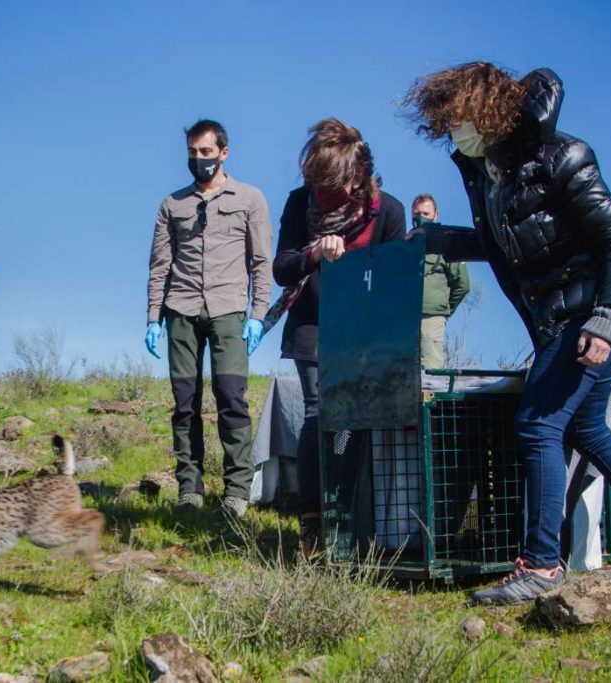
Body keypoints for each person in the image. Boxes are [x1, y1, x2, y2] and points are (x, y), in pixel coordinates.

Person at [404, 62, 611, 605]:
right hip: (556, 317)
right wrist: (438, 239)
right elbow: (509, 241)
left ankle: (541, 565)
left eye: (457, 119)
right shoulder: (490, 172)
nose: (451, 132)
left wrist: (606, 319)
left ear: (487, 112)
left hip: (590, 309)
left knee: (539, 424)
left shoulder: (563, 156)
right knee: (589, 429)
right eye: (444, 123)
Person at [273, 118, 407, 554]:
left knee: (355, 419)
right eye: (320, 185)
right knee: (319, 414)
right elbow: (282, 268)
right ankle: (313, 521)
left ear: (359, 176)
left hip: (363, 331)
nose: (326, 195)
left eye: (335, 186)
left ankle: (351, 516)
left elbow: (394, 284)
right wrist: (314, 253)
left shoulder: (388, 211)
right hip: (312, 324)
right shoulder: (300, 203)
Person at [145, 119, 273, 519]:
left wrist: (258, 314)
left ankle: (236, 491)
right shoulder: (172, 205)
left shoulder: (250, 198)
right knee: (185, 403)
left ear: (223, 153)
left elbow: (261, 261)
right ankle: (189, 488)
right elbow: (159, 266)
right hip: (180, 311)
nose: (199, 158)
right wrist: (153, 317)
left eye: (205, 151)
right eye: (192, 152)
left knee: (231, 398)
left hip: (229, 312)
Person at [411, 194, 470, 369]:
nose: (420, 217)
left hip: (431, 319)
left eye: (426, 213)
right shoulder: (406, 243)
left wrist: (442, 310)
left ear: (435, 215)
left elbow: (463, 285)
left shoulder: (446, 244)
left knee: (429, 370)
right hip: (404, 320)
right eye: (416, 214)